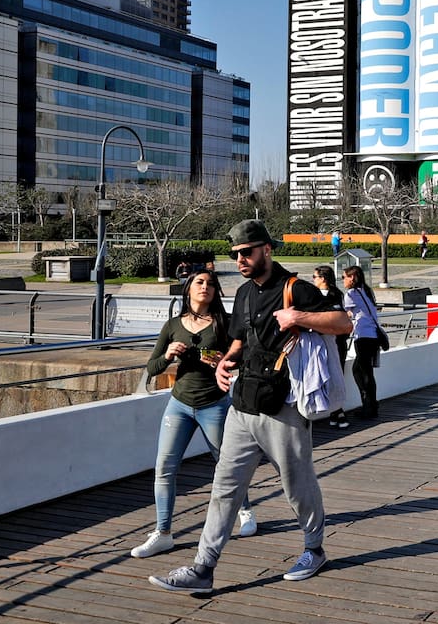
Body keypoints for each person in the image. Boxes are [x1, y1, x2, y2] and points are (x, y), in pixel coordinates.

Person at [148, 219, 352, 593]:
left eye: (247, 252)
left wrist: (299, 317)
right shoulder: (243, 294)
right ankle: (203, 567)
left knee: (296, 483)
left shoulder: (297, 289)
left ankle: (314, 549)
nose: (241, 259)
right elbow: (241, 339)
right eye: (236, 254)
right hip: (243, 405)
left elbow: (343, 322)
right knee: (224, 486)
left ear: (266, 250)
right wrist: (227, 361)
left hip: (283, 406)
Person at [131, 268, 256, 559]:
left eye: (211, 284)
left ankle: (246, 511)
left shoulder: (224, 323)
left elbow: (238, 360)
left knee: (226, 465)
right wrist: (168, 356)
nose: (205, 287)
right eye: (199, 282)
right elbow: (151, 369)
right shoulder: (173, 325)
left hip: (214, 404)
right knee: (164, 468)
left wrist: (212, 359)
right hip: (179, 405)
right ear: (188, 289)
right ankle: (163, 533)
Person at [312, 265, 351, 429]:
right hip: (326, 341)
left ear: (323, 278)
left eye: (314, 277)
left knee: (336, 374)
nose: (313, 280)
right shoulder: (334, 294)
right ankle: (334, 411)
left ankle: (337, 411)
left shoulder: (332, 295)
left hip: (335, 341)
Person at [342, 265, 381, 419]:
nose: (343, 280)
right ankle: (372, 405)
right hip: (373, 335)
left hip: (363, 336)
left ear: (352, 278)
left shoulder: (351, 293)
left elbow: (345, 313)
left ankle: (368, 406)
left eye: (344, 277)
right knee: (367, 372)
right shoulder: (367, 291)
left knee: (359, 371)